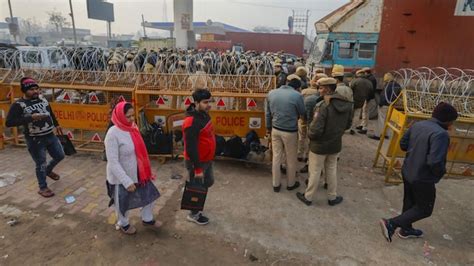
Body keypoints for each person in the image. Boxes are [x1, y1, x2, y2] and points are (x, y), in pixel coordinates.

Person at [380, 102, 458, 242]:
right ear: (447, 120)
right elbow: (435, 161)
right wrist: (439, 173)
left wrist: (416, 152)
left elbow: (403, 144)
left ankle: (406, 229)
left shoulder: (418, 125)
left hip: (408, 170)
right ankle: (391, 223)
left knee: (409, 202)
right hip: (423, 177)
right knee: (424, 209)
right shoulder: (441, 134)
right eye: (452, 121)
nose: (452, 125)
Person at [105, 102, 161, 235]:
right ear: (119, 116)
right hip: (120, 177)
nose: (131, 119)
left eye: (132, 116)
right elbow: (113, 162)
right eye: (128, 117)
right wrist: (126, 181)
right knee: (122, 202)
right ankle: (123, 223)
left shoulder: (132, 127)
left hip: (138, 173)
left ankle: (147, 219)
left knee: (149, 195)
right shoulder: (112, 134)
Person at [296, 78, 353, 206]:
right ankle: (332, 197)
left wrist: (310, 136)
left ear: (327, 89)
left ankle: (308, 197)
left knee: (315, 171)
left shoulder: (323, 106)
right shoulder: (347, 104)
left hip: (319, 145)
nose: (319, 90)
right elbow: (348, 124)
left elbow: (316, 130)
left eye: (321, 88)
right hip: (335, 144)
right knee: (332, 170)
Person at [6, 77, 64, 198]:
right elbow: (9, 122)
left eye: (36, 88)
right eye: (31, 89)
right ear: (24, 91)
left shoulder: (42, 99)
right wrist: (30, 118)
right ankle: (42, 187)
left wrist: (57, 124)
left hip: (50, 135)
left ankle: (48, 170)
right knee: (40, 163)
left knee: (60, 155)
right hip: (35, 139)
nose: (35, 91)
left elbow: (50, 112)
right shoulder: (18, 105)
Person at [266, 74, 305, 192]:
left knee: (277, 156)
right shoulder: (297, 95)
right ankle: (290, 183)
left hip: (275, 129)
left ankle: (275, 184)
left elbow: (268, 114)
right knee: (290, 158)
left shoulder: (271, 93)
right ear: (297, 88)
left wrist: (269, 128)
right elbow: (302, 112)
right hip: (290, 131)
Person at [183, 89, 216, 225]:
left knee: (208, 182)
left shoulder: (204, 115)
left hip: (207, 159)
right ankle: (193, 214)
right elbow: (191, 147)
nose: (208, 105)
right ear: (196, 103)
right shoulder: (191, 122)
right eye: (205, 102)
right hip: (197, 161)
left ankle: (194, 200)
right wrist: (197, 168)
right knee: (197, 188)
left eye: (209, 102)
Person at [299, 73, 327, 173]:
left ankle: (301, 154)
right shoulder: (327, 97)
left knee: (303, 137)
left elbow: (301, 108)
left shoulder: (305, 92)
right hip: (321, 126)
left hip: (306, 121)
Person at [368, 73, 402, 140]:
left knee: (381, 120)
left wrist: (380, 103)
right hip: (392, 105)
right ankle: (386, 134)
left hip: (384, 105)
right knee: (388, 120)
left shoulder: (388, 85)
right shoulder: (398, 85)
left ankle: (378, 135)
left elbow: (384, 96)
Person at [350, 70, 373, 134]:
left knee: (350, 114)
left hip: (352, 100)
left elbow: (350, 89)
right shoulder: (369, 82)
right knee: (357, 115)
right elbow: (371, 92)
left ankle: (347, 127)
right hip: (362, 101)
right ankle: (352, 128)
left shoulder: (355, 81)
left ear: (358, 74)